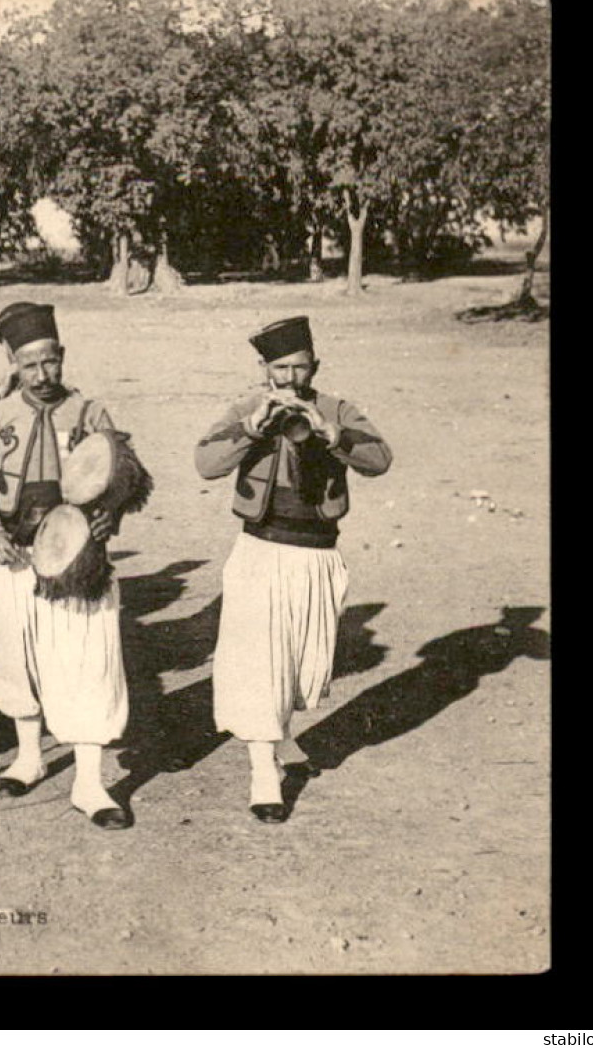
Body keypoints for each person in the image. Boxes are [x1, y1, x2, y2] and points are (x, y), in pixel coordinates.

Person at [194, 315, 392, 822]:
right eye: (280, 369)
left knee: (301, 664)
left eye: (300, 369)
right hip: (260, 550)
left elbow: (380, 458)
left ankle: (280, 736)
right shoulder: (247, 407)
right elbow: (206, 462)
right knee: (260, 662)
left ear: (314, 367)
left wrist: (333, 435)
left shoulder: (336, 408)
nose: (291, 380)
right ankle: (263, 773)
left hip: (317, 554)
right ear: (264, 369)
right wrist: (248, 430)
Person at [0, 301, 133, 830]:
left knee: (86, 660)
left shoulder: (88, 413)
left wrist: (108, 516)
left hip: (77, 558)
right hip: (14, 555)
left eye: (51, 361)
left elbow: (122, 476)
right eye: (30, 363)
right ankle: (29, 756)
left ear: (63, 357)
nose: (42, 374)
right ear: (13, 363)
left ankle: (89, 782)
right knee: (18, 657)